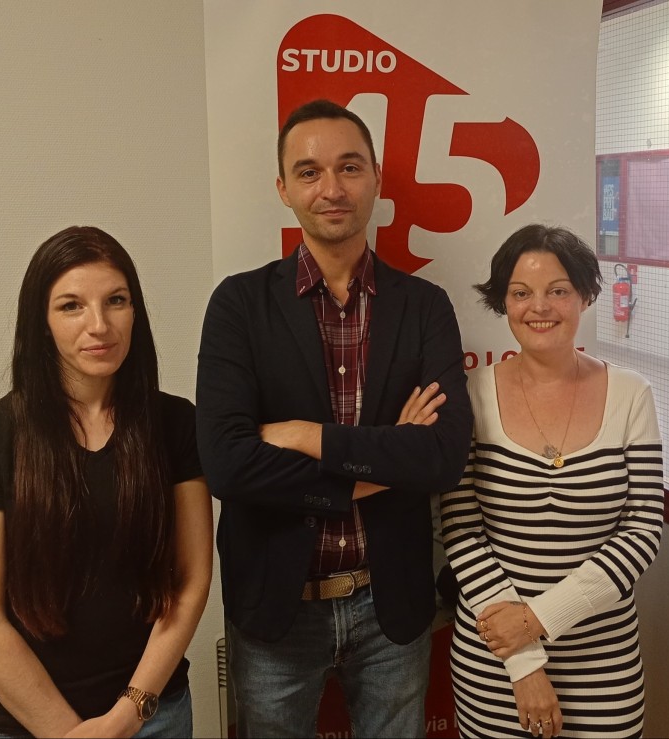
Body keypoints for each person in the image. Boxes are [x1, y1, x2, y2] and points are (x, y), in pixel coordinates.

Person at [196, 99, 473, 738]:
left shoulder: (425, 306)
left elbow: (443, 456)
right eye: (309, 171)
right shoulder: (239, 304)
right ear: (283, 189)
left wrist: (305, 437)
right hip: (277, 606)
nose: (332, 188)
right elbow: (228, 464)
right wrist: (380, 461)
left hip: (391, 603)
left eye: (349, 167)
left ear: (376, 178)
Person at [0, 226, 213, 738]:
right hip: (25, 726)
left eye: (116, 301)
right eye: (71, 306)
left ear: (135, 311)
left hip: (155, 716)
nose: (99, 325)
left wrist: (127, 714)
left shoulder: (176, 423)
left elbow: (191, 579)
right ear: (41, 323)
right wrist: (71, 733)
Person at [440, 224, 664, 738]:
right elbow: (461, 529)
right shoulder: (470, 394)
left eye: (558, 290)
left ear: (585, 295)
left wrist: (538, 620)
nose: (539, 307)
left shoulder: (631, 394)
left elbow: (643, 528)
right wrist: (523, 660)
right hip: (494, 661)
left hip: (603, 658)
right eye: (521, 293)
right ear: (503, 302)